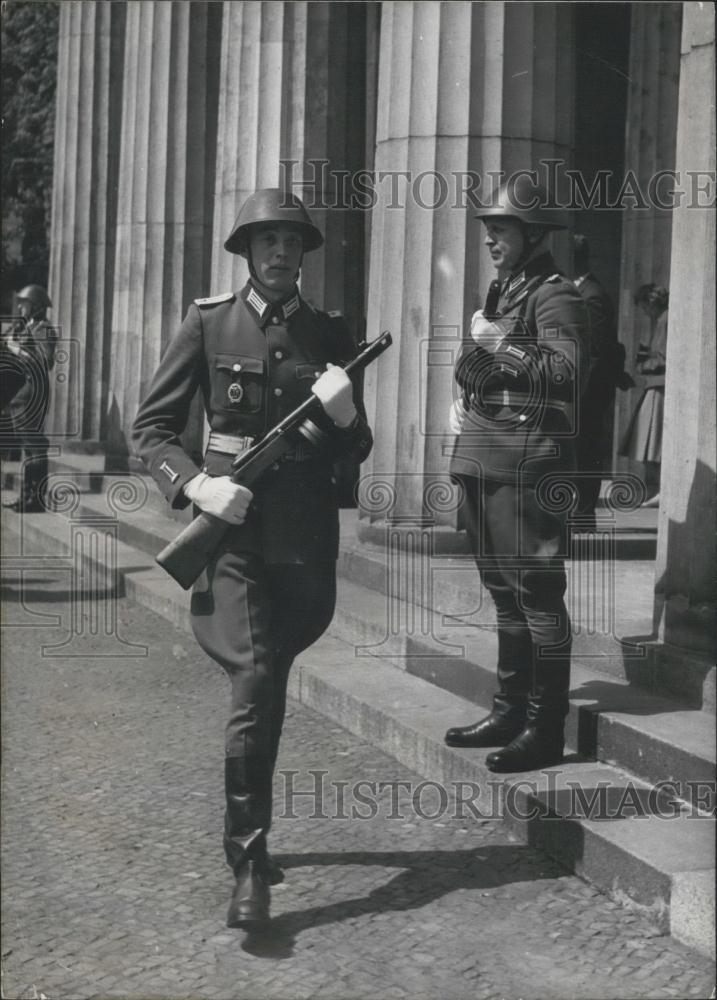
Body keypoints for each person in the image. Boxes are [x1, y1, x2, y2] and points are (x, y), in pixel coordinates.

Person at [132, 188, 373, 929]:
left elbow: (355, 449)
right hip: (231, 539)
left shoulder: (331, 333)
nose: (280, 253)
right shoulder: (208, 322)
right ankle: (247, 861)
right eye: (266, 241)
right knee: (257, 678)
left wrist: (343, 414)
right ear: (245, 250)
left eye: (292, 242)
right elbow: (152, 429)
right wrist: (197, 486)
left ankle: (253, 846)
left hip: (300, 545)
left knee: (266, 684)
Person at [444, 176, 589, 772]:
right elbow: (464, 367)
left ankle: (545, 726)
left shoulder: (554, 296)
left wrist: (501, 347)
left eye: (499, 229)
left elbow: (564, 369)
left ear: (530, 234)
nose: (489, 240)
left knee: (536, 596)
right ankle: (509, 710)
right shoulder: (504, 293)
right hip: (484, 459)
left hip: (527, 465)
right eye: (487, 230)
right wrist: (484, 352)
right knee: (503, 596)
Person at [572, 234, 633, 526]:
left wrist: (579, 392)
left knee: (586, 451)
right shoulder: (582, 292)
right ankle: (579, 513)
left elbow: (597, 351)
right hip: (585, 390)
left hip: (589, 392)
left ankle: (583, 515)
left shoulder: (591, 295)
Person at [1, 284, 57, 512]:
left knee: (34, 445)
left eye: (25, 304)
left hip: (33, 394)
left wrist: (17, 351)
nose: (21, 308)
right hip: (19, 395)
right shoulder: (26, 328)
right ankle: (26, 496)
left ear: (37, 306)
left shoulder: (44, 329)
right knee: (27, 446)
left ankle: (36, 499)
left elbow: (46, 362)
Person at [619, 283, 668, 507]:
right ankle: (655, 489)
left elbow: (663, 357)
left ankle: (660, 490)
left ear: (650, 303)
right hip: (655, 385)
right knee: (650, 442)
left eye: (644, 307)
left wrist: (644, 365)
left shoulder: (665, 320)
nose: (644, 313)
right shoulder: (658, 321)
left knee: (653, 441)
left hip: (660, 385)